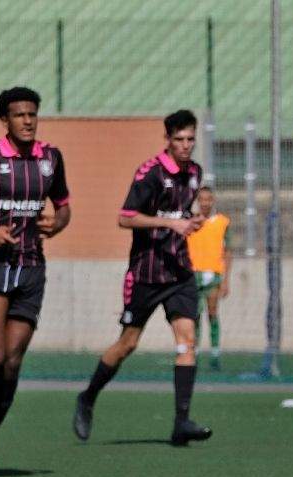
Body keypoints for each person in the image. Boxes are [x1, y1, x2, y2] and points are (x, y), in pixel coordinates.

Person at [72, 109, 212, 446]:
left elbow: (180, 212)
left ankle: (181, 422)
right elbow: (125, 218)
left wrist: (190, 221)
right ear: (167, 139)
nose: (185, 145)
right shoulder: (150, 173)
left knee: (187, 340)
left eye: (190, 139)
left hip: (179, 271)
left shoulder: (194, 172)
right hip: (146, 274)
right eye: (179, 139)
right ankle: (87, 397)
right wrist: (171, 223)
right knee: (128, 344)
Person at [0, 86, 70, 477]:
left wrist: (57, 224)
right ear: (5, 120)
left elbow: (64, 207)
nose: (28, 121)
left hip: (31, 269)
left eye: (32, 114)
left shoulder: (51, 158)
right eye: (19, 115)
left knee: (11, 364)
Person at [187, 185, 231, 371]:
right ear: (198, 201)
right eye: (202, 199)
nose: (205, 203)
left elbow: (228, 252)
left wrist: (226, 280)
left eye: (208, 199)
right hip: (193, 275)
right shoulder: (190, 222)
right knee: (194, 316)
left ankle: (215, 354)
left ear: (213, 201)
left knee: (212, 313)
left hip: (213, 275)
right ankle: (194, 353)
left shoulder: (222, 222)